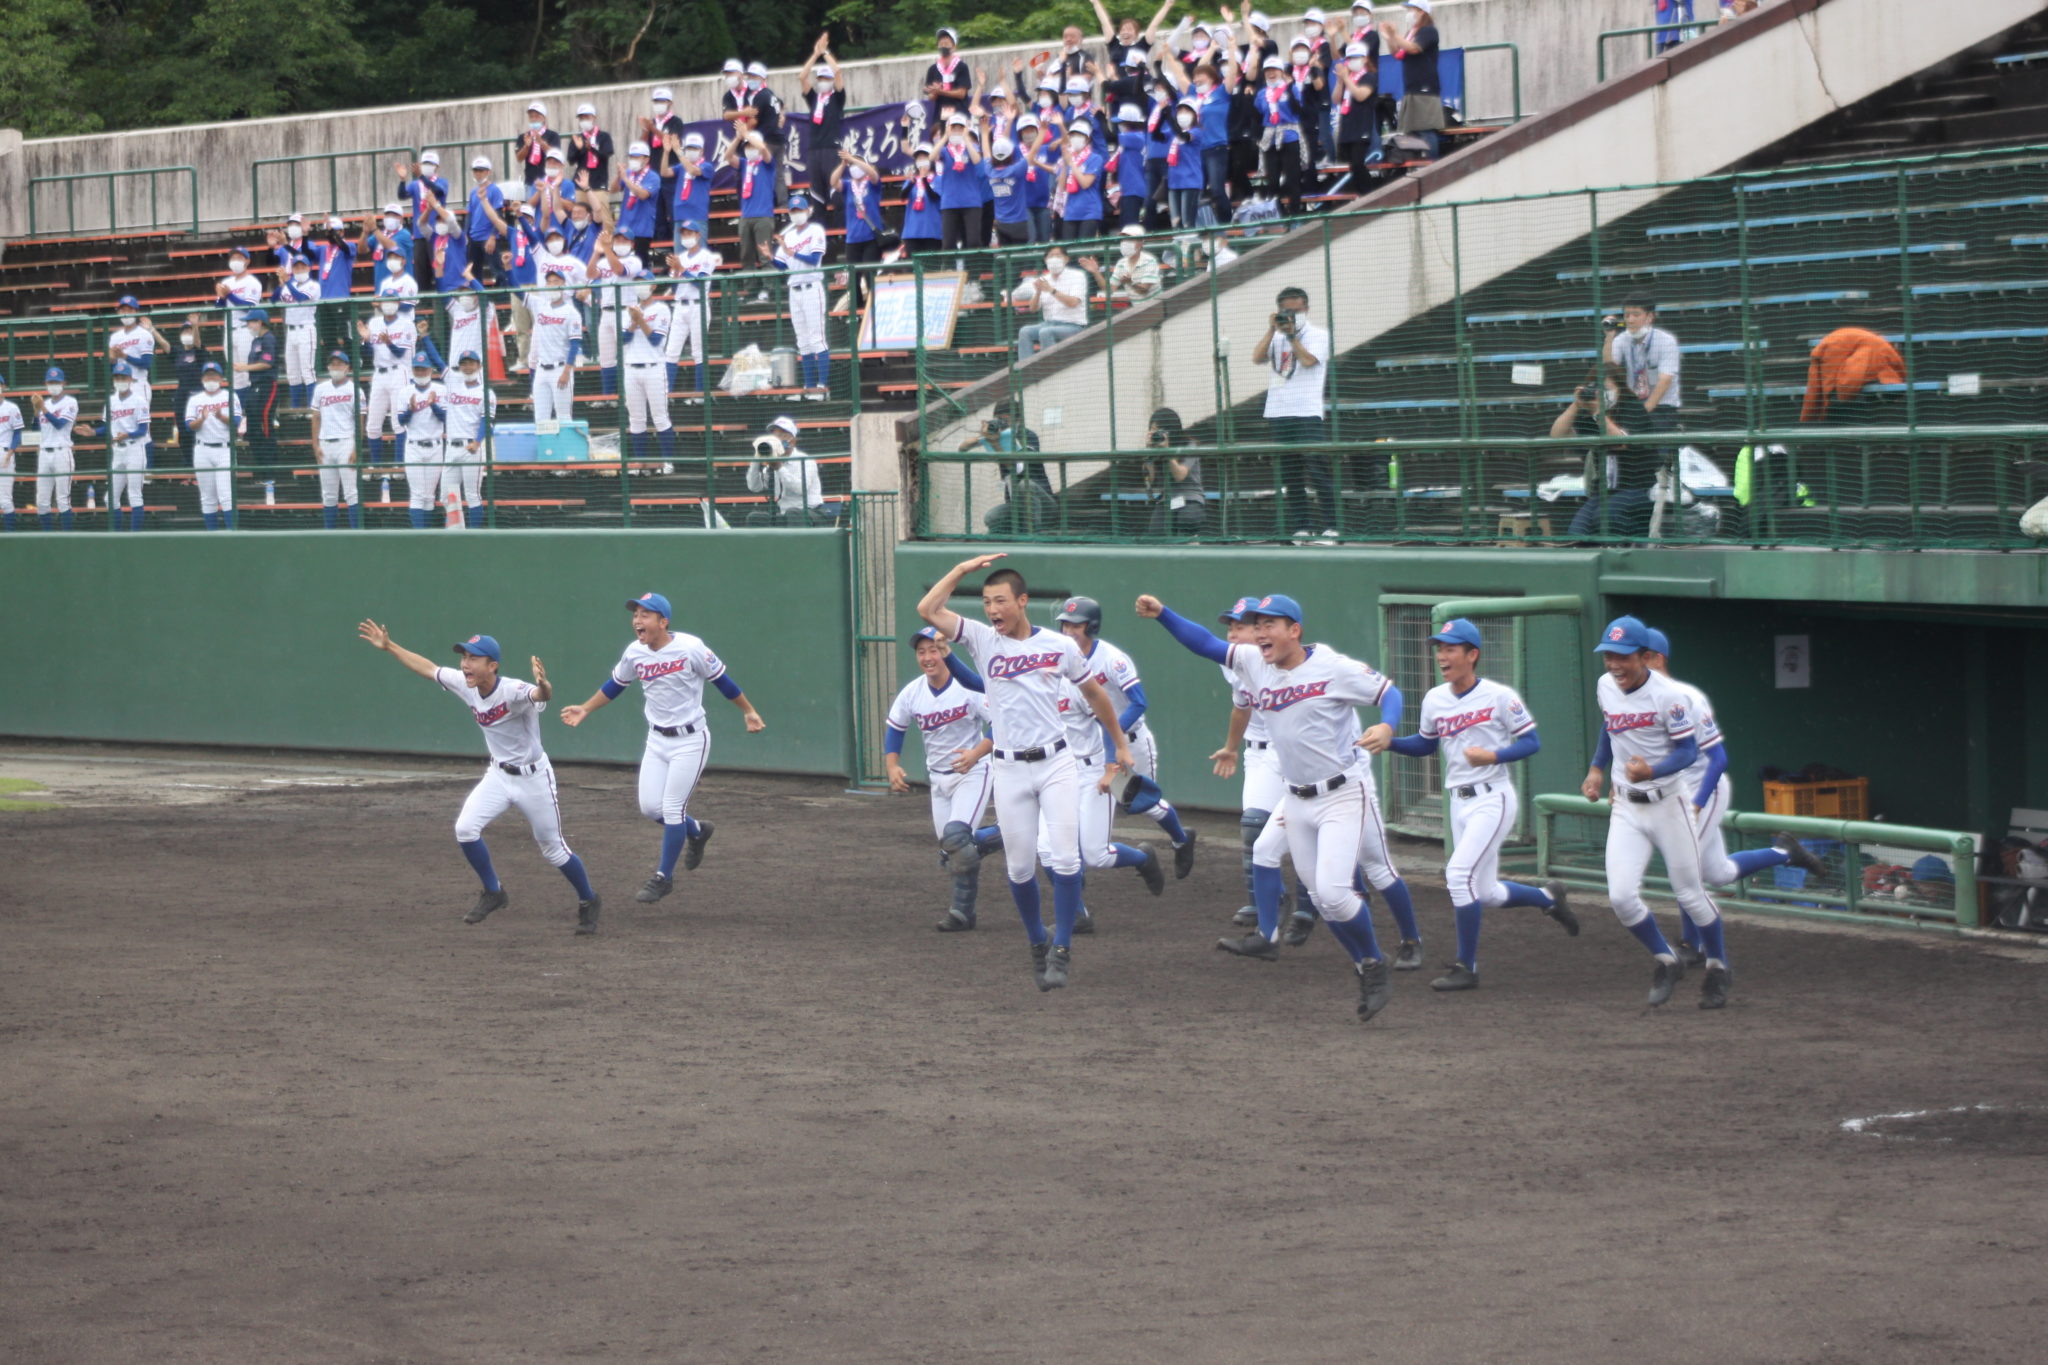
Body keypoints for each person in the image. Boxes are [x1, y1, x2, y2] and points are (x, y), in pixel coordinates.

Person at [1138, 591, 1400, 1021]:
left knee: (1334, 894)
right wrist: (1164, 614)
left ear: (1293, 630)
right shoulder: (1253, 663)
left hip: (1341, 794)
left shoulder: (1332, 667)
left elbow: (1389, 692)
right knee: (1320, 895)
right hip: (1296, 798)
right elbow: (1203, 643)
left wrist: (1388, 725)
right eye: (1255, 625)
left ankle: (1373, 961)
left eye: (1269, 624)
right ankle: (1366, 963)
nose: (1260, 632)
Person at [917, 557, 1136, 992]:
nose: (991, 609)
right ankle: (1038, 941)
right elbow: (928, 609)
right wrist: (962, 570)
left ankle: (1063, 948)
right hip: (1009, 767)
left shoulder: (1059, 645)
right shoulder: (982, 640)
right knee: (1019, 868)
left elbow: (1095, 694)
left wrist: (1121, 743)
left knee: (1067, 857)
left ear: (1022, 601)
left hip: (1056, 763)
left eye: (1000, 601)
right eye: (985, 602)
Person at [356, 622, 601, 935]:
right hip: (498, 775)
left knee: (552, 848)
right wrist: (390, 646)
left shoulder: (512, 690)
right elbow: (429, 668)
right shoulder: (464, 683)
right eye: (464, 657)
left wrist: (544, 684)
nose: (465, 664)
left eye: (473, 658)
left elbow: (542, 695)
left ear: (492, 665)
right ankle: (494, 892)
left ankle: (588, 899)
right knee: (466, 829)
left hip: (533, 778)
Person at [1382, 618, 1579, 992]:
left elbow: (1531, 742)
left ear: (1472, 655)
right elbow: (1426, 745)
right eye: (1439, 648)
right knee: (1485, 892)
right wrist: (1388, 741)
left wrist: (1493, 754)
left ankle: (1466, 967)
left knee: (1458, 875)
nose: (1442, 655)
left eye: (1450, 648)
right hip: (1459, 802)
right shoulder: (1434, 698)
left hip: (1493, 797)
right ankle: (1547, 897)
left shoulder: (1500, 696)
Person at [560, 592, 766, 904]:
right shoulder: (635, 652)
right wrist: (586, 709)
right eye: (635, 615)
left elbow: (723, 681)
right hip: (656, 740)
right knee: (650, 808)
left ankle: (662, 877)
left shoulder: (690, 648)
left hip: (690, 740)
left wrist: (748, 711)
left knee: (671, 809)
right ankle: (696, 831)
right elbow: (616, 684)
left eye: (645, 615)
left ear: (663, 621)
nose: (637, 621)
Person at [1640, 627, 1824, 967]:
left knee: (1685, 864)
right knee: (1720, 872)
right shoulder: (1636, 700)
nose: (1624, 663)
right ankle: (1785, 852)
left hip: (1704, 788)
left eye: (1635, 655)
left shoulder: (1687, 698)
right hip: (1676, 794)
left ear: (1655, 658)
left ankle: (1690, 945)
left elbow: (1718, 759)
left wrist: (1698, 803)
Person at [1580, 615, 1726, 1009]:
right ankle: (1666, 959)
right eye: (1608, 655)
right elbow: (1611, 728)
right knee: (1621, 897)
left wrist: (1652, 770)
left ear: (1645, 657)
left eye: (1622, 656)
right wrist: (1596, 768)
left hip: (1668, 803)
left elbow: (1688, 752)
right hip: (1626, 806)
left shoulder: (1669, 696)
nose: (1613, 664)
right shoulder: (1605, 686)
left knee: (1691, 894)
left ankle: (1717, 967)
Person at [1055, 595, 1197, 874]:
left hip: (1132, 742)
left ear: (1091, 626)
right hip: (1098, 747)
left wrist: (1114, 732)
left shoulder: (1112, 659)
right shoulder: (1062, 657)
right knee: (1109, 801)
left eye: (1076, 626)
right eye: (1065, 625)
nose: (1069, 631)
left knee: (1143, 802)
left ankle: (1182, 839)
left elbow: (1139, 701)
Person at [1205, 594, 1312, 933]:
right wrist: (1231, 748)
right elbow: (1241, 706)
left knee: (1302, 829)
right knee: (1254, 826)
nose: (1233, 635)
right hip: (1259, 752)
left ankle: (1312, 904)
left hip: (1294, 753)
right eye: (1230, 628)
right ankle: (1265, 900)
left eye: (1241, 627)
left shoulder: (1291, 665)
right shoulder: (1232, 663)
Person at [885, 626, 1003, 933]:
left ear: (945, 652)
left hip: (973, 773)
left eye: (933, 650)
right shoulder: (913, 692)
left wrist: (977, 753)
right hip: (938, 780)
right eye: (921, 652)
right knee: (953, 850)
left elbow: (1001, 725)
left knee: (956, 839)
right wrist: (892, 766)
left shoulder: (968, 688)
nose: (927, 657)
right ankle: (1009, 833)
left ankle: (961, 913)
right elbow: (895, 728)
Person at [1254, 286, 1335, 536]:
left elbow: (1309, 361)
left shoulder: (1318, 334)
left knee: (1318, 470)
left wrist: (1291, 337)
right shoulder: (1276, 337)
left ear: (1306, 309)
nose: (1290, 315)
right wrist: (1272, 330)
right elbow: (1257, 357)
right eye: (1285, 311)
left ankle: (1332, 527)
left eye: (1295, 310)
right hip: (1279, 412)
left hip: (1307, 412)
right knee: (1290, 475)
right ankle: (1302, 526)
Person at [774, 193, 832, 397]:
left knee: (817, 338)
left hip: (811, 287)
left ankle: (822, 386)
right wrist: (769, 256)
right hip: (794, 290)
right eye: (793, 210)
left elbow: (815, 259)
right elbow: (782, 266)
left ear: (807, 211)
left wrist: (792, 253)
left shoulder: (815, 230)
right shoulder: (788, 236)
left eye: (800, 210)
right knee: (803, 341)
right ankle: (809, 387)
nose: (797, 213)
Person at [969, 401, 1054, 533]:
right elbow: (962, 448)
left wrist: (995, 444)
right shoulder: (999, 437)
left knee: (1025, 485)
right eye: (998, 420)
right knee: (992, 517)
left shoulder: (1027, 435)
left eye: (1005, 419)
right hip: (1016, 505)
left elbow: (1017, 468)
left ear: (1018, 419)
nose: (1002, 423)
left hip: (1043, 506)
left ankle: (1032, 536)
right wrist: (984, 435)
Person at [619, 285, 678, 468]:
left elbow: (655, 340)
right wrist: (634, 320)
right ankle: (640, 463)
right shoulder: (628, 310)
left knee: (660, 417)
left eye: (644, 282)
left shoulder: (661, 308)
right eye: (636, 282)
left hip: (654, 367)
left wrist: (640, 320)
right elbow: (623, 339)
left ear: (652, 286)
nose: (640, 287)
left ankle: (669, 461)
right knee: (636, 419)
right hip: (631, 367)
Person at [1800, 326, 1905, 424]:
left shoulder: (1879, 354)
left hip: (1839, 340)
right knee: (1831, 387)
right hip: (1837, 343)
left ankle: (1816, 417)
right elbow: (1847, 381)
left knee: (1826, 385)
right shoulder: (1881, 355)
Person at [183, 361, 244, 530]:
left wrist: (220, 416)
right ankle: (213, 537)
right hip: (202, 449)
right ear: (202, 378)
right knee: (207, 498)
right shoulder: (195, 399)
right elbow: (189, 426)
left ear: (221, 378)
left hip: (225, 449)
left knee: (226, 496)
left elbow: (236, 422)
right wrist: (201, 419)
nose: (211, 378)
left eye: (214, 375)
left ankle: (233, 536)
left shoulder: (230, 396)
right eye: (207, 375)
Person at [1610, 296, 1682, 434]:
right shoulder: (1621, 339)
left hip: (1661, 407)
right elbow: (1608, 367)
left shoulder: (1666, 341)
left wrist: (1642, 413)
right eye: (1626, 315)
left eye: (1636, 315)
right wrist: (1609, 337)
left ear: (1650, 317)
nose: (1630, 320)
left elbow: (1665, 380)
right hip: (1632, 406)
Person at [309, 351, 365, 529]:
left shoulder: (355, 390)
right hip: (325, 444)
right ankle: (329, 534)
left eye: (340, 364)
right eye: (333, 364)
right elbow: (316, 417)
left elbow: (360, 420)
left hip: (346, 442)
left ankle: (357, 534)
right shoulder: (320, 389)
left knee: (351, 493)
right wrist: (315, 444)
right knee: (328, 494)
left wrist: (357, 447)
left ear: (347, 367)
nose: (336, 367)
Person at [1382, 0, 1444, 160]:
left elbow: (1414, 48)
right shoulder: (1412, 33)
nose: (1409, 13)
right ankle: (1418, 162)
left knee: (1426, 130)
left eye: (1411, 9)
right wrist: (1390, 38)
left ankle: (1432, 164)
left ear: (1422, 11)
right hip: (1411, 88)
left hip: (1425, 89)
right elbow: (1397, 53)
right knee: (1412, 131)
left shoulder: (1429, 31)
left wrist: (1394, 35)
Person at [744, 415, 835, 526]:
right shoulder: (772, 461)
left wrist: (779, 468)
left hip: (811, 513)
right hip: (785, 514)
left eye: (782, 435)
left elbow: (801, 488)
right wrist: (756, 459)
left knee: (793, 513)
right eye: (774, 436)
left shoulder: (806, 461)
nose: (778, 439)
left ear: (792, 440)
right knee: (755, 518)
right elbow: (754, 487)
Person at [357, 296, 414, 467]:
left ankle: (399, 464)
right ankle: (376, 465)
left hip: (399, 371)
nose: (389, 304)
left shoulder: (406, 323)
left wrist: (389, 342)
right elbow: (368, 353)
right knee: (373, 423)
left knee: (399, 422)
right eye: (386, 300)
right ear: (380, 305)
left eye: (393, 300)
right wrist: (365, 341)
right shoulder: (374, 323)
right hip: (379, 374)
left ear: (398, 303)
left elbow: (399, 354)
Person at [440, 350, 495, 528]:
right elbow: (437, 361)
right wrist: (424, 337)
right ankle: (456, 532)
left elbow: (487, 421)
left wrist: (478, 442)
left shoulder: (486, 392)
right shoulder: (453, 383)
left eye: (471, 363)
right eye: (464, 363)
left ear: (479, 366)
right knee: (447, 495)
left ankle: (475, 536)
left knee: (472, 495)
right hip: (451, 447)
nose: (467, 366)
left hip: (470, 447)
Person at [666, 228, 721, 400]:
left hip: (698, 305)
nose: (686, 237)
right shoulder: (679, 258)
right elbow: (675, 287)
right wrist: (675, 270)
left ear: (698, 235)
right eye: (683, 234)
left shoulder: (706, 256)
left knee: (698, 351)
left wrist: (681, 268)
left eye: (690, 233)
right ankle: (666, 393)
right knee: (671, 351)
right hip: (680, 306)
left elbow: (700, 283)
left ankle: (700, 393)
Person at [1252, 56, 1308, 218]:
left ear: (1281, 72)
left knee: (1292, 178)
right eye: (1268, 71)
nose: (1271, 73)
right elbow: (1257, 116)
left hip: (1289, 135)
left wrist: (1289, 88)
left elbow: (1298, 110)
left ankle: (1295, 213)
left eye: (1274, 70)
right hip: (1270, 136)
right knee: (1273, 179)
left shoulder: (1291, 88)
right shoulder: (1262, 93)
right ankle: (1276, 214)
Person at [394, 354, 446, 529]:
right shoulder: (404, 392)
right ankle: (419, 535)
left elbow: (445, 417)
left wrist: (433, 405)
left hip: (435, 446)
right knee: (417, 495)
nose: (421, 372)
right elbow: (401, 421)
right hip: (414, 446)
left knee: (429, 496)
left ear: (430, 370)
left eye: (424, 368)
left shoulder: (441, 389)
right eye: (417, 368)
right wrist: (410, 410)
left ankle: (428, 537)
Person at [526, 268, 582, 427]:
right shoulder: (540, 305)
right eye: (549, 281)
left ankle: (565, 452)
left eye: (556, 281)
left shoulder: (571, 312)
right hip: (541, 369)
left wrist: (566, 372)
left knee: (563, 417)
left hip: (560, 368)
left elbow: (575, 344)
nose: (552, 284)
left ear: (564, 284)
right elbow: (518, 292)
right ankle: (545, 451)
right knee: (540, 418)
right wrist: (509, 269)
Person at [1138, 405, 1204, 536]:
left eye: (1158, 431)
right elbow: (1150, 480)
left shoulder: (1190, 446)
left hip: (1190, 498)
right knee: (1156, 533)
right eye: (1152, 430)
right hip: (1167, 499)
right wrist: (1149, 454)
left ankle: (1193, 549)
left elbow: (1180, 475)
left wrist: (1167, 451)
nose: (1155, 434)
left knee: (1187, 520)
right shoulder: (1154, 448)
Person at [103, 361, 153, 532]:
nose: (120, 380)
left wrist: (128, 435)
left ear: (130, 379)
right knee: (110, 498)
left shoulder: (139, 400)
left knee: (134, 494)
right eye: (117, 377)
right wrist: (92, 432)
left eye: (123, 377)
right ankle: (116, 535)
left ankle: (134, 537)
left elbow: (143, 429)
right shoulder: (110, 401)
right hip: (118, 451)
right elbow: (106, 427)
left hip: (134, 448)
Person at [1014, 245, 1090, 357]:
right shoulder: (1044, 278)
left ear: (1066, 259)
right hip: (1048, 323)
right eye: (1051, 256)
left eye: (1058, 256)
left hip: (1073, 326)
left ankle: (1049, 367)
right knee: (1025, 331)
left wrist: (1051, 290)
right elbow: (1033, 308)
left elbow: (1073, 302)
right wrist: (1038, 292)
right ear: (1045, 260)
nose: (1054, 259)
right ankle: (1026, 369)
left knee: (1046, 332)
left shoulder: (1077, 276)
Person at [834, 150, 885, 306]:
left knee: (870, 276)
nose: (854, 167)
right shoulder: (848, 186)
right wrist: (843, 164)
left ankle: (874, 310)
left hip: (871, 237)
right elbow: (833, 182)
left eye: (857, 164)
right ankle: (857, 314)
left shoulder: (872, 184)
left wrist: (855, 160)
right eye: (852, 165)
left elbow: (874, 174)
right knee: (853, 279)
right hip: (853, 238)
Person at [394, 151, 450, 292]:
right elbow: (402, 196)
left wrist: (421, 177)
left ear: (437, 167)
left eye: (430, 164)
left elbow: (438, 191)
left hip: (437, 233)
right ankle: (424, 305)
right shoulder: (415, 185)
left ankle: (441, 304)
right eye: (425, 164)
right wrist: (402, 180)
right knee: (421, 272)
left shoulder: (442, 182)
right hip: (419, 234)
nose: (427, 167)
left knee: (438, 269)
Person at [799, 36, 846, 204]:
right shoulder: (813, 98)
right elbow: (802, 77)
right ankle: (820, 226)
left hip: (831, 149)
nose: (823, 82)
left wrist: (824, 52)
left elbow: (838, 71)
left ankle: (839, 227)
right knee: (816, 193)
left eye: (827, 79)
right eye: (820, 79)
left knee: (835, 191)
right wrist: (814, 55)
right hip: (814, 149)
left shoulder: (837, 98)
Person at [230, 310, 278, 469]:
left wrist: (245, 367)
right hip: (254, 385)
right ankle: (259, 464)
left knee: (264, 421)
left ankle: (269, 463)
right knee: (252, 423)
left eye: (250, 322)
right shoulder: (255, 341)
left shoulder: (269, 339)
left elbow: (267, 363)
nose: (248, 325)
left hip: (266, 385)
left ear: (259, 322)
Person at [729, 131, 779, 279]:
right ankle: (750, 290)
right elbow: (728, 156)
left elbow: (764, 150)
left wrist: (749, 136)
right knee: (746, 257)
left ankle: (768, 289)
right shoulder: (745, 164)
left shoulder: (767, 164)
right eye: (747, 146)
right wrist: (738, 137)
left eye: (752, 146)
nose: (749, 149)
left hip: (763, 216)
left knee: (765, 256)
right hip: (746, 216)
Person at [935, 112, 986, 252]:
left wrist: (966, 138)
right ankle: (950, 272)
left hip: (971, 201)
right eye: (954, 128)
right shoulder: (945, 151)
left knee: (973, 241)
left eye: (960, 128)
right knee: (948, 243)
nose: (957, 131)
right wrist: (945, 136)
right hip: (950, 202)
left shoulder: (971, 148)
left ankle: (973, 272)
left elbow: (976, 160)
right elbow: (932, 156)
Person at [1334, 37, 1381, 187]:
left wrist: (1346, 79)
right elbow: (1335, 99)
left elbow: (1361, 95)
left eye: (1356, 58)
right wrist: (1340, 81)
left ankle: (1368, 194)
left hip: (1361, 126)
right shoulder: (1348, 79)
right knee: (1350, 165)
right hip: (1347, 125)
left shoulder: (1369, 77)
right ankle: (1359, 191)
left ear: (1365, 59)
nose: (1352, 61)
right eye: (1350, 58)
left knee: (1358, 163)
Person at [274, 258, 320, 409]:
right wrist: (281, 284)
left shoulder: (313, 285)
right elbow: (273, 300)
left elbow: (301, 298)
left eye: (302, 266)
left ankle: (311, 409)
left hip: (306, 329)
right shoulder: (289, 284)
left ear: (309, 268)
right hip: (291, 331)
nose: (299, 269)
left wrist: (287, 282)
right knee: (292, 372)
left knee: (307, 370)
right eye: (296, 267)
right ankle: (295, 410)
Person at [1054, 123, 1106, 239]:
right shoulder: (1067, 158)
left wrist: (1072, 163)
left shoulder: (1095, 158)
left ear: (1087, 139)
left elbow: (1085, 183)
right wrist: (1064, 163)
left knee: (1083, 252)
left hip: (1089, 211)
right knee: (1069, 250)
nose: (1075, 139)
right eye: (1073, 135)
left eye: (1079, 135)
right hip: (1071, 211)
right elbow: (1062, 186)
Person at [1083, 224, 1161, 300]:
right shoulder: (1121, 264)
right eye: (1123, 239)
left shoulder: (1150, 261)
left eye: (1130, 239)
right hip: (1137, 309)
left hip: (1156, 307)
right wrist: (1096, 272)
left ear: (1141, 243)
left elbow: (1144, 290)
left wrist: (1130, 282)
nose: (1125, 242)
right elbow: (1109, 290)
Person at [567, 102, 614, 224]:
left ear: (594, 117)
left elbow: (606, 155)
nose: (584, 120)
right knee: (580, 218)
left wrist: (591, 148)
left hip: (598, 183)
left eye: (587, 117)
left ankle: (606, 242)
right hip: (580, 184)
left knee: (603, 218)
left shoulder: (603, 136)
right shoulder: (578, 138)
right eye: (581, 118)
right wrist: (580, 148)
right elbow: (571, 160)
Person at [465, 157, 510, 286]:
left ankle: (503, 301)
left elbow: (499, 214)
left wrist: (492, 236)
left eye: (481, 170)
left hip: (487, 237)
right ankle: (479, 302)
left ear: (488, 172)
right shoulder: (473, 192)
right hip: (474, 237)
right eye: (476, 171)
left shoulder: (495, 190)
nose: (478, 173)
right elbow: (470, 214)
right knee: (474, 273)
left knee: (497, 271)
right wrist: (466, 234)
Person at [612, 140, 660, 262]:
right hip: (625, 225)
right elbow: (613, 190)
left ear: (646, 159)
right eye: (631, 157)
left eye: (637, 157)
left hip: (642, 228)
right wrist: (618, 176)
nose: (633, 160)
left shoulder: (653, 177)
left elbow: (643, 195)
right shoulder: (628, 173)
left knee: (639, 262)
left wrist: (626, 180)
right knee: (620, 260)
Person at [106, 298, 167, 389]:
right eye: (123, 310)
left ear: (136, 312)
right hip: (121, 385)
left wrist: (124, 356)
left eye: (130, 310)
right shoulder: (115, 337)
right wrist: (112, 360)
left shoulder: (144, 334)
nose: (126, 313)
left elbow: (146, 363)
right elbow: (113, 368)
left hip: (138, 383)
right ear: (118, 312)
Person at [925, 27, 974, 123]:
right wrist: (934, 92)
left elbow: (961, 94)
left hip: (960, 114)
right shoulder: (933, 69)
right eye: (941, 44)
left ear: (954, 46)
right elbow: (931, 97)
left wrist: (941, 91)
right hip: (940, 115)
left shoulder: (961, 67)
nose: (943, 46)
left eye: (946, 44)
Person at [515, 101, 561, 188]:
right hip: (530, 181)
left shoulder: (553, 135)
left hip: (549, 181)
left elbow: (556, 156)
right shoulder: (524, 136)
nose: (534, 119)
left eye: (537, 116)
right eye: (531, 116)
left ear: (543, 118)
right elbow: (519, 158)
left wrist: (541, 142)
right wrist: (526, 146)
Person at [0, 381, 22, 531]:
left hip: (4, 453)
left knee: (5, 500)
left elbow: (18, 433)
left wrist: (10, 453)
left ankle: (10, 536)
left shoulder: (12, 407)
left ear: (4, 386)